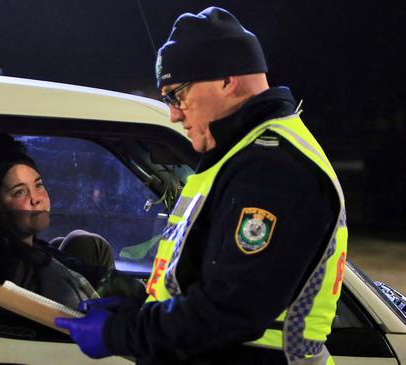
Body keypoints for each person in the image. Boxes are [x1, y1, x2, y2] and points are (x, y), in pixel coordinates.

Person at [56, 7, 347, 365]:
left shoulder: (271, 169)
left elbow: (232, 309)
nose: (174, 115)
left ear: (228, 80)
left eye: (176, 95)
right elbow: (206, 282)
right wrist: (136, 308)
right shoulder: (241, 155)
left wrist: (121, 332)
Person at [0, 136, 116, 308]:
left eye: (38, 185)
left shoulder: (31, 247)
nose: (36, 199)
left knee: (82, 241)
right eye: (20, 192)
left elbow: (69, 263)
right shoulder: (22, 273)